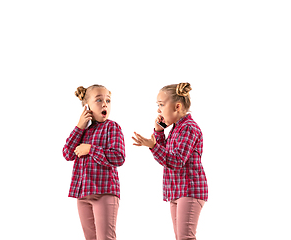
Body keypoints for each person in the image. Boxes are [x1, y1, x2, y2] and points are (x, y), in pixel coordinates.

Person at [132, 83, 208, 240]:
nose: (158, 110)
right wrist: (159, 132)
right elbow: (166, 156)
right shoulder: (176, 129)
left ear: (177, 106)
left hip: (189, 190)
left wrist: (153, 146)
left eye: (161, 104)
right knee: (180, 237)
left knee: (185, 237)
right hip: (176, 191)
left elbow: (176, 161)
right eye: (158, 105)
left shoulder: (189, 128)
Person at [63, 84, 125, 240]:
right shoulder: (82, 131)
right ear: (87, 106)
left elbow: (118, 157)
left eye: (108, 100)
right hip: (83, 195)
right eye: (99, 100)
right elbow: (67, 154)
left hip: (104, 193)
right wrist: (79, 126)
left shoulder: (112, 127)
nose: (105, 104)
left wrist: (91, 149)